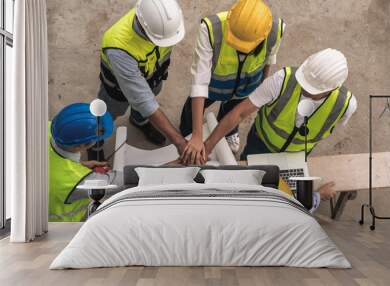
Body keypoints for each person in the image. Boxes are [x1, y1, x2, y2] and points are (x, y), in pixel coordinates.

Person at [202, 48, 357, 207]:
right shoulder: (282, 80)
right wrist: (208, 145)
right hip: (260, 144)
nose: (305, 89)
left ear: (333, 88)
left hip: (296, 155)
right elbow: (240, 113)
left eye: (313, 91)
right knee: (247, 182)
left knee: (281, 192)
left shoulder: (345, 105)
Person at [179, 0, 286, 164]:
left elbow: (270, 58)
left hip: (247, 86)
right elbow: (199, 82)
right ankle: (187, 134)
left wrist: (261, 87)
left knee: (233, 111)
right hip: (214, 86)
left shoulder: (276, 29)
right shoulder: (210, 29)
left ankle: (229, 132)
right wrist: (197, 135)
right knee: (192, 111)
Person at [89, 0, 187, 161]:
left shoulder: (164, 24)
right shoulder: (118, 47)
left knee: (147, 103)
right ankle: (95, 144)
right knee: (106, 116)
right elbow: (143, 100)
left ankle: (139, 121)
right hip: (117, 90)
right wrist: (179, 141)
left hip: (152, 76)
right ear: (144, 29)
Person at [49, 103, 114, 222]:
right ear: (83, 145)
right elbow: (123, 183)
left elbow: (55, 163)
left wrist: (81, 164)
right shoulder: (76, 179)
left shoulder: (48, 129)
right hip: (60, 230)